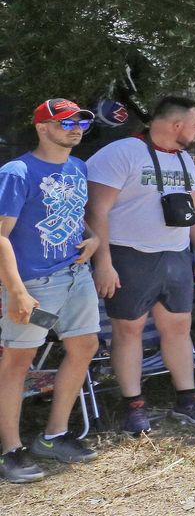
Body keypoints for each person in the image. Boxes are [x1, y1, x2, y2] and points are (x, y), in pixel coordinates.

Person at [86, 95, 195, 433]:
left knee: (178, 327)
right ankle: (133, 404)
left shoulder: (184, 160)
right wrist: (104, 262)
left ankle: (187, 397)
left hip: (175, 256)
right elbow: (96, 210)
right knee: (128, 330)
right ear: (177, 125)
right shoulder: (121, 153)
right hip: (128, 254)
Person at [1, 100, 101, 483]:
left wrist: (93, 240)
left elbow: (76, 218)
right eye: (66, 122)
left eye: (81, 122)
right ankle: (10, 450)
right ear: (42, 127)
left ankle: (53, 435)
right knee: (17, 360)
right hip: (33, 285)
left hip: (76, 278)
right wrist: (16, 292)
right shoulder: (17, 171)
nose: (76, 128)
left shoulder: (78, 167)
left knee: (85, 346)